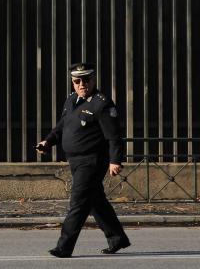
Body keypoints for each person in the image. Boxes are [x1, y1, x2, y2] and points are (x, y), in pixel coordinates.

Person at [36, 63, 131, 258]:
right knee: (96, 202)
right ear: (72, 83)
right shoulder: (72, 100)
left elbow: (114, 136)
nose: (82, 84)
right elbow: (62, 126)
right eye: (77, 81)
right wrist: (48, 141)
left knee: (78, 202)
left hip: (92, 161)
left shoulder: (101, 103)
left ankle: (64, 247)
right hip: (75, 160)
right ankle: (117, 238)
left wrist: (115, 161)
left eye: (86, 80)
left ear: (93, 80)